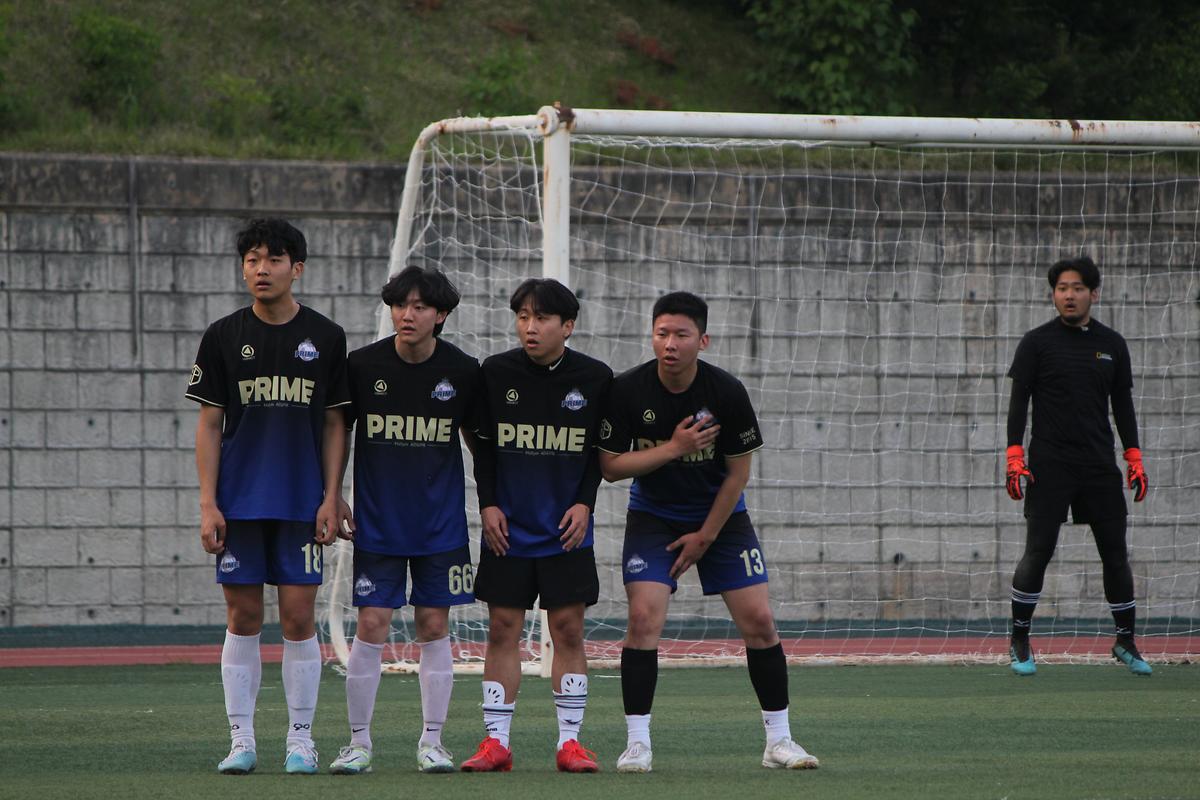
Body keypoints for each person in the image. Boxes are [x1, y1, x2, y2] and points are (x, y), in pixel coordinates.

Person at [598, 291, 819, 773]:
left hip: (722, 518)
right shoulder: (628, 390)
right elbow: (610, 467)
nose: (670, 344)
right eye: (662, 333)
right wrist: (675, 448)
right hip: (653, 517)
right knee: (642, 619)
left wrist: (705, 537)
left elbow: (738, 474)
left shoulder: (726, 392)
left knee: (760, 620)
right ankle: (637, 744)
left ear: (703, 340)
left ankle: (779, 741)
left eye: (681, 334)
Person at [187, 218, 350, 775]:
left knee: (300, 617)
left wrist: (332, 495)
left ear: (296, 268)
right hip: (240, 502)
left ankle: (301, 739)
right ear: (243, 268)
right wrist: (208, 503)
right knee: (243, 615)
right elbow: (210, 424)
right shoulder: (222, 335)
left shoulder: (326, 336)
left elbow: (335, 424)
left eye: (274, 259)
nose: (262, 269)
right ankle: (242, 739)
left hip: (303, 501)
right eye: (252, 259)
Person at [328, 266, 482, 774]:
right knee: (371, 624)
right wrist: (333, 495)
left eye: (419, 306)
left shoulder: (463, 370)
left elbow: (478, 444)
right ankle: (358, 743)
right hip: (378, 523)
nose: (407, 314)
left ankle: (433, 742)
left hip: (441, 525)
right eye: (399, 305)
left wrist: (492, 502)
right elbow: (338, 430)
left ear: (440, 315)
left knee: (434, 625)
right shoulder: (361, 365)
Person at [460, 278, 612, 773]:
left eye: (542, 318)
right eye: (523, 316)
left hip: (566, 529)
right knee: (502, 628)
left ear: (567, 326)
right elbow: (483, 448)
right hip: (509, 527)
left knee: (567, 629)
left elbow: (599, 453)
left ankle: (570, 743)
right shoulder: (494, 372)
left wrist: (585, 503)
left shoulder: (595, 378)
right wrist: (488, 503)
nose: (530, 327)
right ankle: (496, 743)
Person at [1004, 255, 1151, 676]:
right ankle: (1019, 639)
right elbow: (1018, 403)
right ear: (1054, 295)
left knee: (1115, 553)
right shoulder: (1036, 343)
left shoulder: (1112, 345)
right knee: (1038, 550)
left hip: (1098, 464)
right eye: (1062, 288)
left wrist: (1134, 457)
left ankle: (1125, 641)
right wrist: (1014, 456)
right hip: (1050, 465)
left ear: (1094, 294)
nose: (1069, 295)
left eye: (1078, 288)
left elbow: (1123, 406)